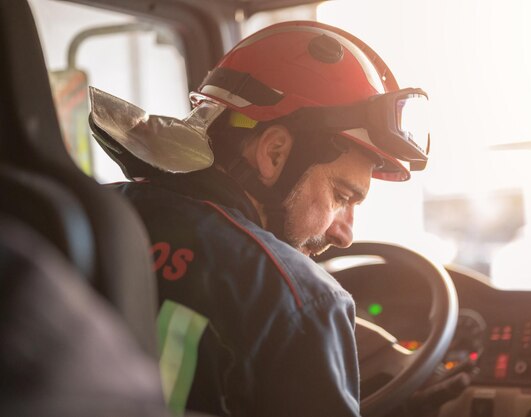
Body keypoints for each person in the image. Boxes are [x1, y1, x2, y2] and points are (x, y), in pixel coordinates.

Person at [90, 20, 430, 417]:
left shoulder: (87, 216)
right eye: (341, 196)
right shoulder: (298, 299)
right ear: (274, 153)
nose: (345, 234)